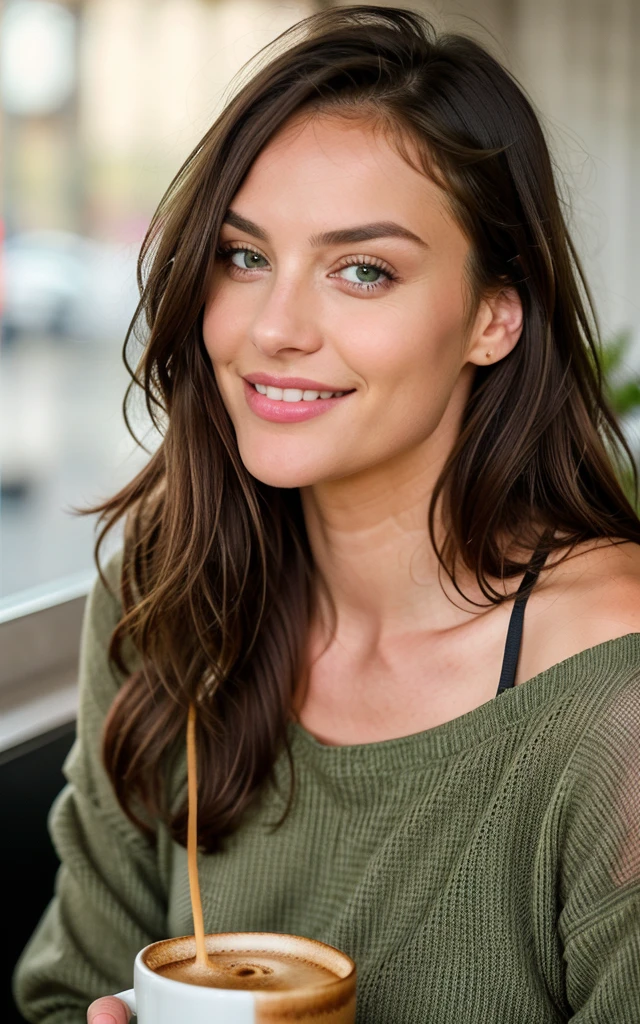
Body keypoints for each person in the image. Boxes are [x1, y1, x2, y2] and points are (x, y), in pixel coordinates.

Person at [13, 6, 640, 1023]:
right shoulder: (166, 601)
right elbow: (70, 989)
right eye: (244, 256)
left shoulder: (616, 689)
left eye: (363, 271)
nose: (274, 328)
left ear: (493, 317)